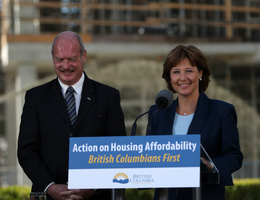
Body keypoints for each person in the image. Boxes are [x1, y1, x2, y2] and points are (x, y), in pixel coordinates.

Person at [17, 31, 126, 200]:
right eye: (60, 59)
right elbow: (26, 151)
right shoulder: (35, 98)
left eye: (72, 59)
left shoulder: (108, 96)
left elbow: (118, 149)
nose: (66, 66)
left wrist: (93, 185)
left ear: (83, 56)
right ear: (53, 57)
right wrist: (50, 186)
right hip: (48, 196)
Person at [149, 45, 243, 200]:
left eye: (189, 70)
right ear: (170, 77)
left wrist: (210, 165)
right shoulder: (157, 112)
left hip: (204, 194)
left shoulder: (221, 111)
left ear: (200, 73)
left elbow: (234, 156)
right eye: (176, 71)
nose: (182, 77)